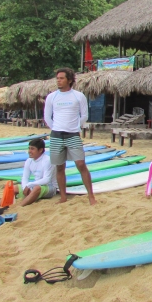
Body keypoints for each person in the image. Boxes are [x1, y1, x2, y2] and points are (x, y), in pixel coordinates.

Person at [43, 67, 96, 206]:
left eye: (61, 78)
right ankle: (63, 196)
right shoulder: (52, 97)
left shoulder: (78, 96)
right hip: (56, 135)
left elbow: (84, 115)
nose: (58, 81)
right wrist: (55, 127)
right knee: (59, 167)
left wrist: (75, 126)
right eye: (57, 78)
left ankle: (91, 196)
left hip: (73, 134)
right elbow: (47, 116)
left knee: (80, 164)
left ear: (70, 80)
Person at [13, 138, 58, 206]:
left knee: (37, 188)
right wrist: (25, 187)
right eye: (29, 148)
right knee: (13, 188)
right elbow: (25, 177)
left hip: (50, 187)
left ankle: (20, 206)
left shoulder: (47, 160)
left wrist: (29, 185)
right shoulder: (29, 161)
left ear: (40, 150)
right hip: (35, 186)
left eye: (32, 149)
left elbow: (46, 180)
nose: (29, 151)